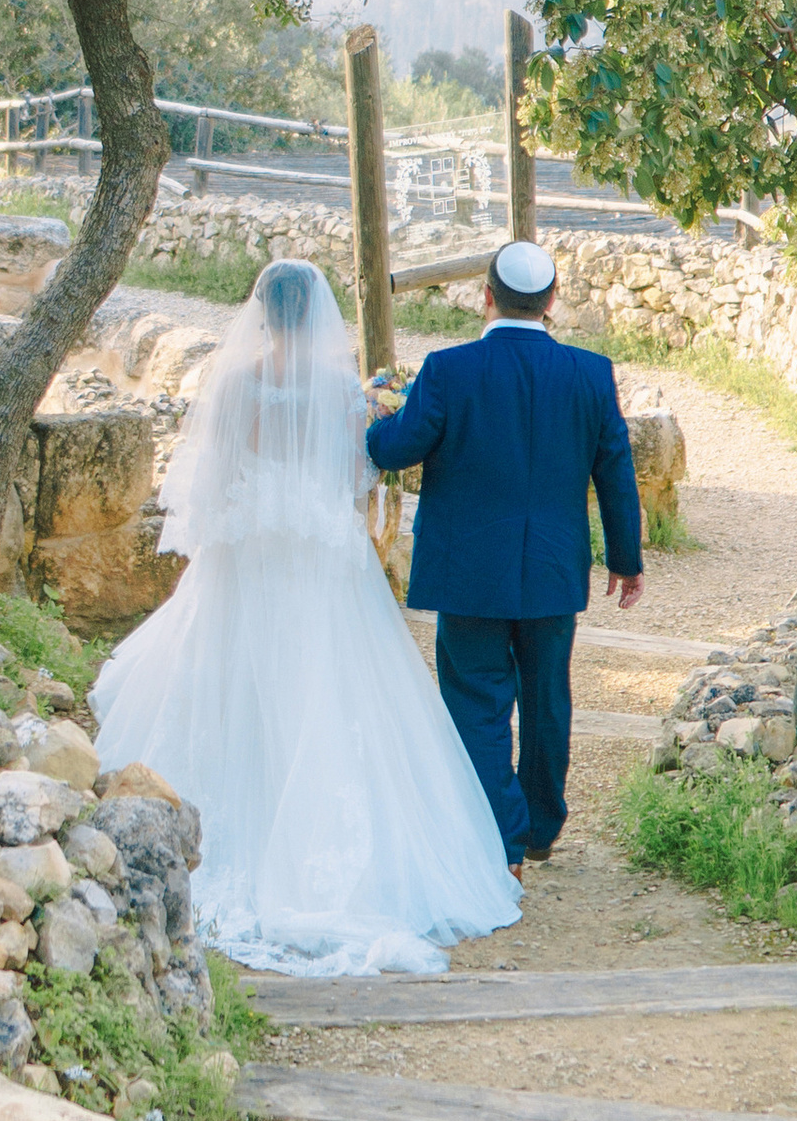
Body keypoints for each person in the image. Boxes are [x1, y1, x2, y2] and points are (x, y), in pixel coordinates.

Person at [91, 258, 521, 976]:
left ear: (260, 309)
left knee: (231, 681)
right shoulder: (337, 390)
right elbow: (357, 477)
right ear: (315, 312)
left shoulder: (233, 382)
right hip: (318, 557)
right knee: (331, 686)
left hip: (250, 550)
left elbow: (214, 476)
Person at [364, 238, 642, 873]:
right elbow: (615, 472)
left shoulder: (448, 369)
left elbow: (397, 449)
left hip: (467, 571)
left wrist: (375, 418)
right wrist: (626, 560)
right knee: (548, 696)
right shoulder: (591, 373)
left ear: (485, 297)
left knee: (476, 700)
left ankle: (500, 839)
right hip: (552, 567)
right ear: (550, 302)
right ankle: (542, 827)